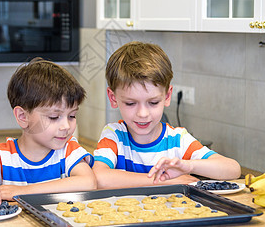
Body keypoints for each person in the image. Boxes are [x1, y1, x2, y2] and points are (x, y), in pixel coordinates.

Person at [93, 41, 241, 189]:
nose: (143, 114)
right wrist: (163, 180)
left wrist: (189, 166)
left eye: (153, 102)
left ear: (167, 96)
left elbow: (233, 169)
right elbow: (99, 178)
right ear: (113, 98)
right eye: (131, 103)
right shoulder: (114, 136)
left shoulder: (177, 139)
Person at [0, 58, 96, 203]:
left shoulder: (68, 151)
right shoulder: (2, 156)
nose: (66, 126)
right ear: (23, 117)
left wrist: (22, 191)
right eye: (54, 117)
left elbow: (88, 183)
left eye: (72, 116)